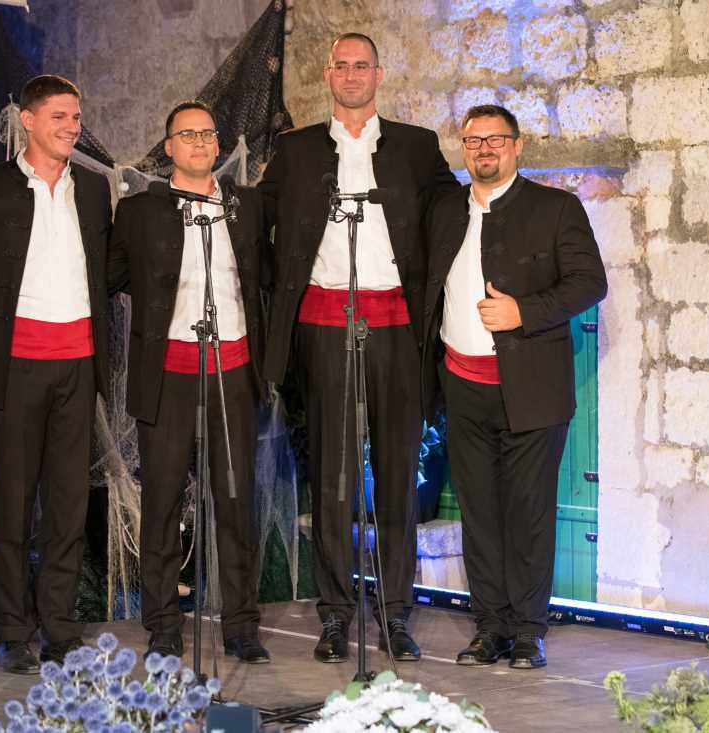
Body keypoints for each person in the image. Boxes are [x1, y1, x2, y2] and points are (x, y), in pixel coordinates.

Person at [259, 32, 459, 663]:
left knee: (398, 479)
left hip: (397, 327)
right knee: (333, 480)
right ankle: (335, 615)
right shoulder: (294, 151)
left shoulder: (416, 146)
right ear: (328, 75)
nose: (351, 75)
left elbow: (455, 215)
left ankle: (396, 613)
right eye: (341, 66)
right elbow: (258, 226)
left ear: (379, 74)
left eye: (361, 66)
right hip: (324, 327)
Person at [421, 104, 608, 669]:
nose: (484, 149)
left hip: (531, 390)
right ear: (464, 148)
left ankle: (528, 631)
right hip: (463, 387)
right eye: (474, 140)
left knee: (527, 514)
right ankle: (490, 628)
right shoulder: (445, 211)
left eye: (495, 139)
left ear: (517, 145)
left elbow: (590, 283)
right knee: (480, 514)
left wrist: (523, 311)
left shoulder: (556, 208)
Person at [0, 75, 113, 673]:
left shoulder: (94, 189)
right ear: (27, 119)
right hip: (17, 366)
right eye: (59, 117)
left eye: (76, 117)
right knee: (13, 505)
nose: (72, 127)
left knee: (68, 506)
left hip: (78, 364)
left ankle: (60, 628)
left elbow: (108, 268)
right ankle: (12, 630)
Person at [107, 101, 271, 664]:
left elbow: (270, 279)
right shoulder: (140, 212)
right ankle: (163, 624)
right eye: (188, 134)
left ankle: (242, 625)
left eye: (208, 134)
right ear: (169, 146)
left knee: (235, 500)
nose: (200, 143)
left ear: (218, 144)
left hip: (234, 369)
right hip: (168, 372)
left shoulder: (247, 207)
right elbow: (106, 275)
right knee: (162, 501)